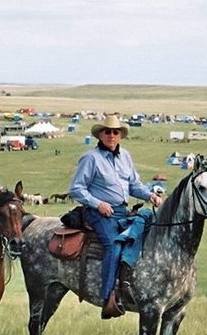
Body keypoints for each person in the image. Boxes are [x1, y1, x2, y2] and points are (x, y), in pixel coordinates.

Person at [69, 115, 162, 319]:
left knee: (145, 231)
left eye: (115, 132)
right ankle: (108, 297)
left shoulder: (125, 156)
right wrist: (98, 204)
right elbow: (76, 189)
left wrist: (150, 195)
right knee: (113, 244)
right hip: (98, 212)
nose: (111, 135)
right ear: (100, 134)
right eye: (107, 131)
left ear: (120, 135)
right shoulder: (91, 158)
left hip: (121, 210)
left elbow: (134, 185)